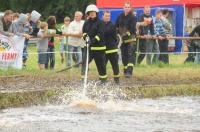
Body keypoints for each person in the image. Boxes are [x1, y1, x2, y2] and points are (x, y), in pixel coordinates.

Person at [82, 4, 107, 84]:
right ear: (88, 14)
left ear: (96, 12)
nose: (92, 14)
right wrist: (85, 37)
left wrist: (92, 41)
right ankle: (83, 80)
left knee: (100, 65)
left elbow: (100, 34)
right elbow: (84, 32)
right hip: (88, 48)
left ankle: (103, 81)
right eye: (90, 12)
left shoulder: (101, 22)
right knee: (85, 63)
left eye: (93, 12)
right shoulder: (86, 22)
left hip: (98, 48)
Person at [115, 1, 137, 78]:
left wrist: (125, 34)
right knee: (124, 56)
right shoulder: (120, 16)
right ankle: (125, 71)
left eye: (128, 7)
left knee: (130, 55)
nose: (127, 8)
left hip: (131, 39)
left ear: (130, 8)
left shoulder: (133, 18)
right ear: (123, 7)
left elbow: (132, 29)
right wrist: (117, 33)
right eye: (126, 7)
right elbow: (116, 26)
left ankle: (129, 72)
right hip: (122, 40)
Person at [103, 10, 120, 84]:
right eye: (106, 16)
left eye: (109, 16)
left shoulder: (112, 25)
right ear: (103, 16)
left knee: (115, 66)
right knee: (102, 66)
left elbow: (105, 31)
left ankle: (117, 81)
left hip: (112, 49)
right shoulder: (101, 24)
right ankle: (103, 80)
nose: (107, 17)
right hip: (104, 50)